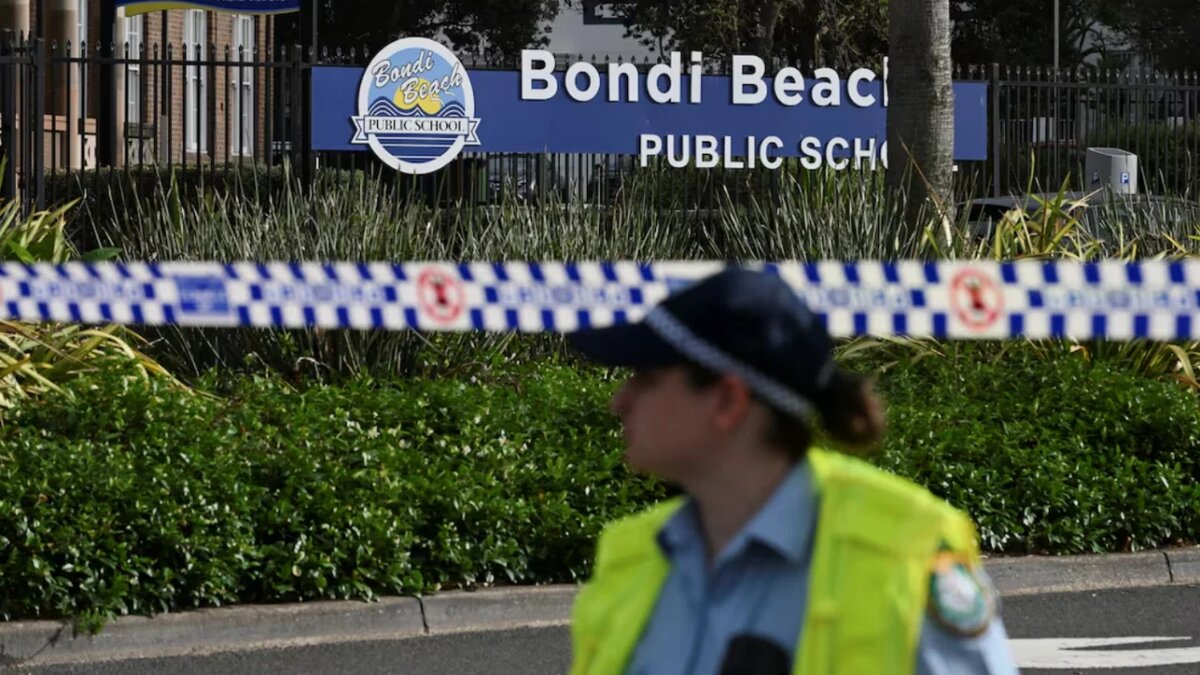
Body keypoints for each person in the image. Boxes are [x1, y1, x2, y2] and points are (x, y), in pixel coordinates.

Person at [563, 266, 1019, 675]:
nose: (620, 401)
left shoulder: (904, 555)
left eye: (646, 378)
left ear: (727, 400)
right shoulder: (630, 555)